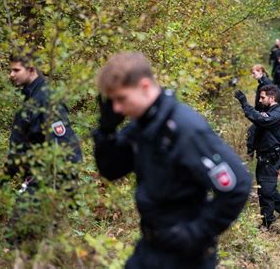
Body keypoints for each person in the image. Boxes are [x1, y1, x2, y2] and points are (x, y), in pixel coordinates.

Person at [92, 52, 251, 268]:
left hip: (186, 256)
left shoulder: (185, 128)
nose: (117, 108)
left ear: (145, 86)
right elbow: (112, 170)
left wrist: (196, 233)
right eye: (113, 101)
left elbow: (238, 184)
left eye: (121, 99)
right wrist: (106, 131)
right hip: (150, 248)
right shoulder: (143, 126)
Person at [6, 52, 82, 192]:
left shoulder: (46, 99)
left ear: (31, 70)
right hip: (34, 181)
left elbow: (64, 147)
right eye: (10, 70)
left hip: (46, 185)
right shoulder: (30, 97)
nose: (11, 74)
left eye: (16, 70)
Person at [234, 86, 280, 228]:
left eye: (262, 97)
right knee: (267, 187)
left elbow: (259, 118)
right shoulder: (270, 112)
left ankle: (268, 222)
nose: (260, 100)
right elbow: (256, 127)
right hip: (264, 156)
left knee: (265, 190)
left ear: (272, 98)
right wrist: (251, 148)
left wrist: (244, 103)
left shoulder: (276, 115)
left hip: (270, 157)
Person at [247, 65, 280, 158]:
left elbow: (278, 93)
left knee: (252, 132)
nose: (253, 75)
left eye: (254, 73)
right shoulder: (261, 82)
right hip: (262, 113)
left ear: (261, 71)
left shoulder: (266, 82)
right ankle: (255, 156)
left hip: (265, 114)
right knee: (255, 132)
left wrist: (269, 111)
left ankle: (250, 158)